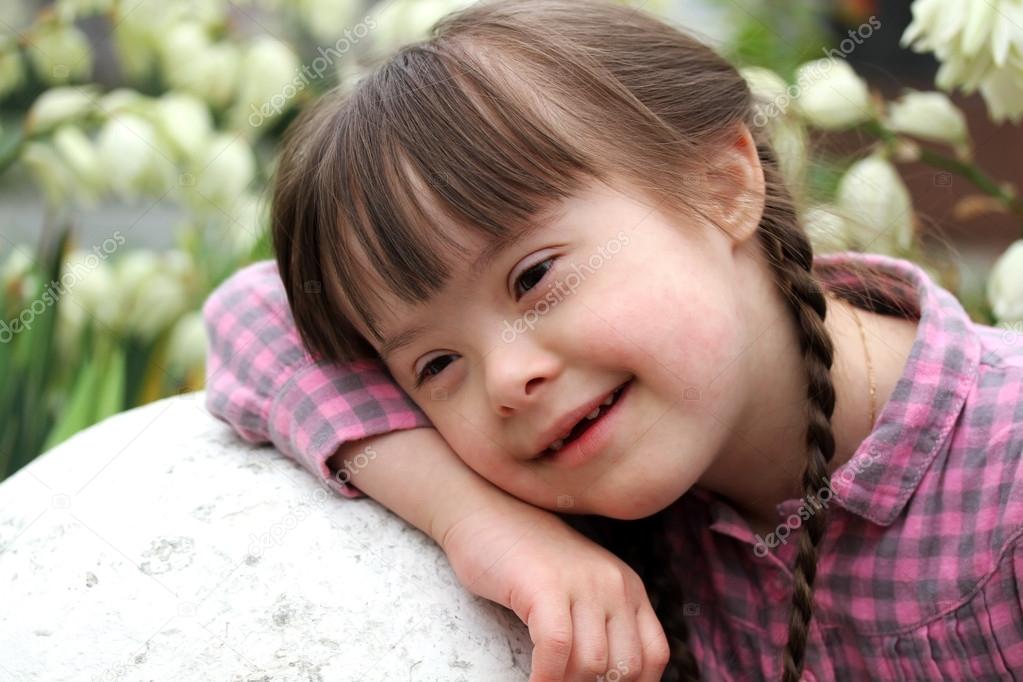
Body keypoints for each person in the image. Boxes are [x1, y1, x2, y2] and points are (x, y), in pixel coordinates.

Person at [202, 1, 1023, 679]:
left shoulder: (1004, 473)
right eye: (437, 363)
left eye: (531, 278)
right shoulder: (650, 497)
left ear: (721, 185)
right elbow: (250, 314)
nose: (505, 380)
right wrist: (478, 524)